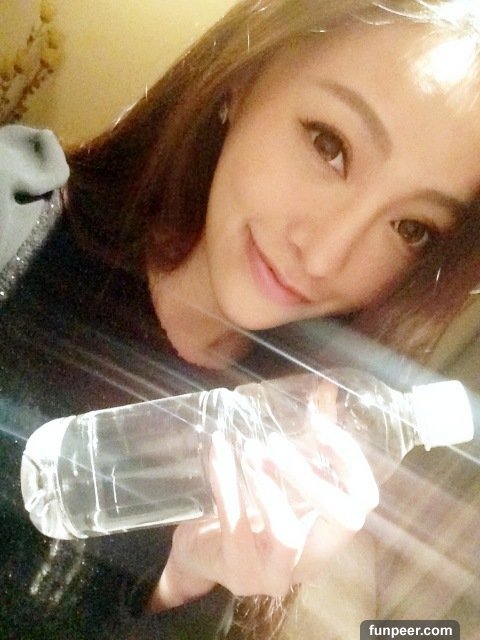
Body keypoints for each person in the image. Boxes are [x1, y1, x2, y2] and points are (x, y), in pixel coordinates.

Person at [1, 0, 479, 638]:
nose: (325, 255)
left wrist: (186, 591)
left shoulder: (289, 446)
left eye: (410, 227)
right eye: (329, 145)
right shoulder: (14, 212)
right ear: (244, 75)